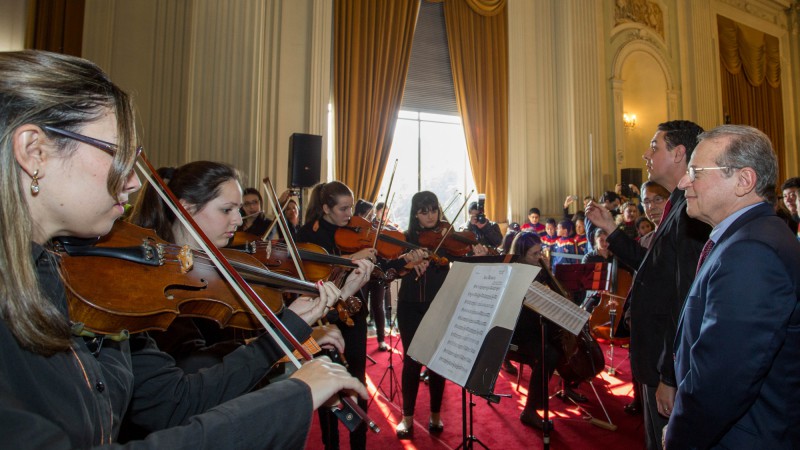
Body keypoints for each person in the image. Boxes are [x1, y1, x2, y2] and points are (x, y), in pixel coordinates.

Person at [0, 50, 367, 449]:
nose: (134, 183)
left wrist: (287, 332)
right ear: (35, 152)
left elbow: (173, 401)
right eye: (118, 155)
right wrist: (290, 397)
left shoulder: (82, 281)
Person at [127, 161, 371, 374]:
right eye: (227, 209)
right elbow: (198, 369)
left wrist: (338, 296)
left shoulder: (219, 266)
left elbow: (264, 328)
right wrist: (292, 337)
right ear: (186, 209)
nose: (238, 219)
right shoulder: (161, 284)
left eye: (238, 209)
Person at [665, 125, 800, 449]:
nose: (684, 182)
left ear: (743, 181)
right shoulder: (747, 237)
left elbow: (721, 379)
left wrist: (679, 436)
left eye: (695, 171)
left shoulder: (753, 253)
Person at [585, 120, 710, 450]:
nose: (645, 154)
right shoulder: (676, 205)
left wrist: (668, 375)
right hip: (655, 356)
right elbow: (653, 267)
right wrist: (610, 228)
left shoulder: (689, 211)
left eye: (654, 147)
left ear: (680, 153)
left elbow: (684, 302)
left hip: (665, 360)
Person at [297, 181, 425, 450]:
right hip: (321, 319)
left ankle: (359, 444)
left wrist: (405, 260)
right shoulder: (310, 234)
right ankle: (331, 444)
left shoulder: (355, 231)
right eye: (343, 209)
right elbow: (316, 276)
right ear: (325, 208)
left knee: (357, 381)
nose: (350, 215)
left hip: (353, 315)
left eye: (351, 207)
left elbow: (382, 267)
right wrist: (352, 256)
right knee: (326, 384)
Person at [394, 191, 488, 439]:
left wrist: (476, 255)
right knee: (412, 360)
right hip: (410, 305)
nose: (430, 216)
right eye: (424, 211)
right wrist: (406, 262)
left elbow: (464, 260)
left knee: (437, 360)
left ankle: (435, 413)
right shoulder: (406, 239)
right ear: (415, 213)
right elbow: (392, 271)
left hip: (440, 303)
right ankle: (407, 417)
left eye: (433, 210)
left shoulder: (449, 237)